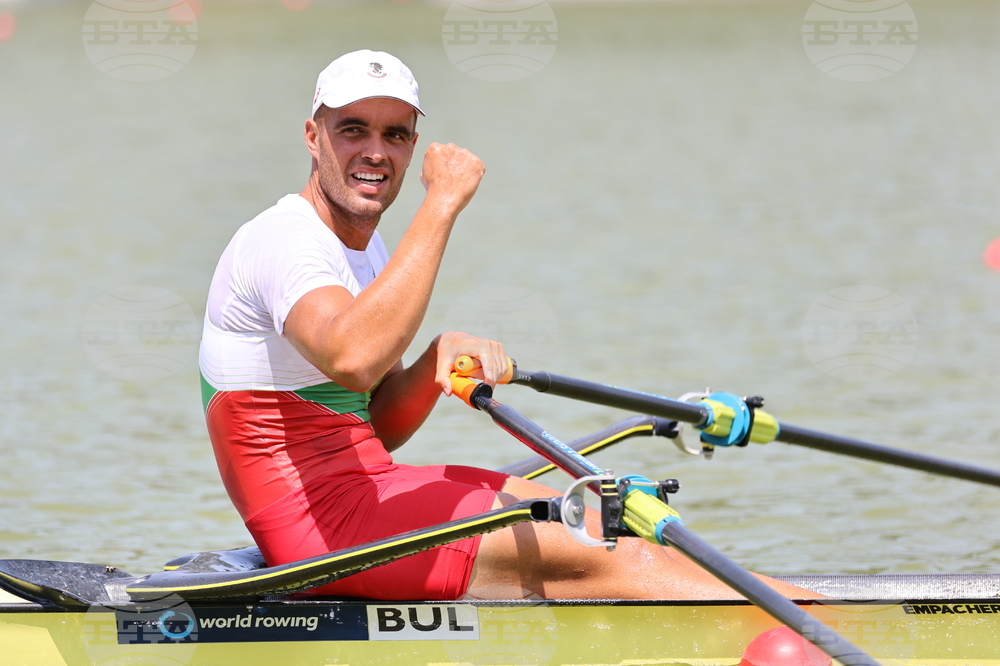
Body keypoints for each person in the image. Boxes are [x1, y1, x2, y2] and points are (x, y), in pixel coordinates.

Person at [199, 50, 817, 602]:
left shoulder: (366, 251)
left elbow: (378, 422)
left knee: (603, 520)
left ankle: (784, 607)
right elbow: (353, 358)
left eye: (395, 134)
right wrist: (441, 203)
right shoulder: (284, 241)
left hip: (368, 490)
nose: (375, 151)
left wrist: (435, 359)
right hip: (322, 531)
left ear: (412, 144)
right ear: (313, 135)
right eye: (352, 130)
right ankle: (834, 625)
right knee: (611, 552)